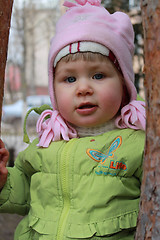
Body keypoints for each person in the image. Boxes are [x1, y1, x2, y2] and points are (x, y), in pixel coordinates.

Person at [0, 0, 146, 239]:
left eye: (98, 75)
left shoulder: (139, 145)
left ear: (124, 83)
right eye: (69, 79)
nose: (83, 88)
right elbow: (25, 191)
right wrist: (4, 180)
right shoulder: (46, 143)